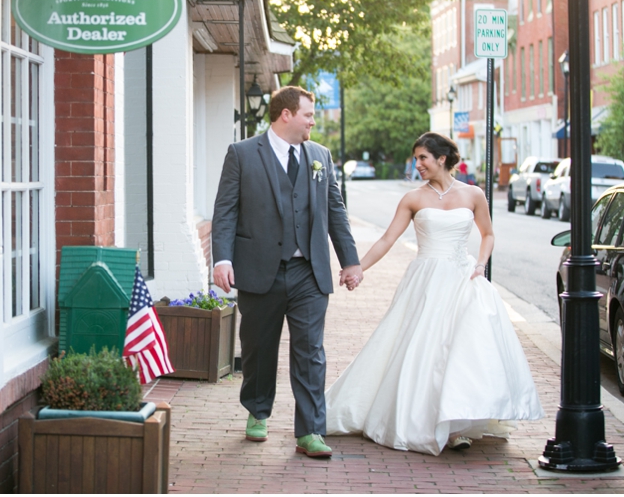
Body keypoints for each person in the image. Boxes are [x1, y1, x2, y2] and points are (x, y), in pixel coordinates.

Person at [324, 132, 543, 455]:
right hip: (425, 281)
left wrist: (480, 264)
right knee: (422, 350)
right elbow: (387, 239)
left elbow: (488, 234)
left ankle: (457, 425)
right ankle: (425, 420)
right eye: (416, 159)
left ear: (441, 159)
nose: (418, 165)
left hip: (462, 278)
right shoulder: (413, 198)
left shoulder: (473, 195)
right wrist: (358, 268)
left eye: (423, 158)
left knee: (460, 351)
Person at [211, 86, 363, 458]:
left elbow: (336, 212)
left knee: (310, 351)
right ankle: (257, 411)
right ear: (286, 115)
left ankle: (310, 430)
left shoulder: (320, 157)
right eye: (309, 114)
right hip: (259, 270)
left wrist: (350, 260)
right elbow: (226, 211)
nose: (313, 120)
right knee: (258, 348)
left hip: (308, 272)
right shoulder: (242, 154)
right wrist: (222, 259)